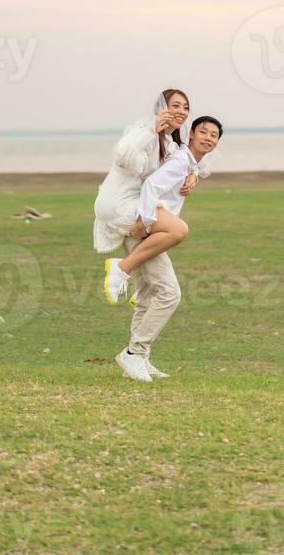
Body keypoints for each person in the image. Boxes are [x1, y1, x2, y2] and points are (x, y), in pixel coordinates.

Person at [110, 115, 223, 383]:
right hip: (145, 229)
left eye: (214, 135)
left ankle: (140, 357)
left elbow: (193, 167)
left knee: (148, 294)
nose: (208, 137)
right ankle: (133, 353)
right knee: (169, 294)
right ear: (191, 134)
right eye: (203, 132)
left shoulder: (188, 162)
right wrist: (146, 222)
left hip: (148, 228)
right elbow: (151, 185)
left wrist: (194, 174)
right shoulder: (181, 161)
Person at [93, 89, 211, 259]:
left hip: (137, 207)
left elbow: (184, 161)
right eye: (175, 106)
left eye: (185, 108)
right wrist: (150, 131)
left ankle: (118, 276)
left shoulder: (170, 143)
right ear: (161, 108)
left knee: (154, 274)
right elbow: (122, 155)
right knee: (176, 230)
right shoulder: (142, 131)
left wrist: (193, 173)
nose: (182, 111)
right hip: (118, 204)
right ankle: (120, 270)